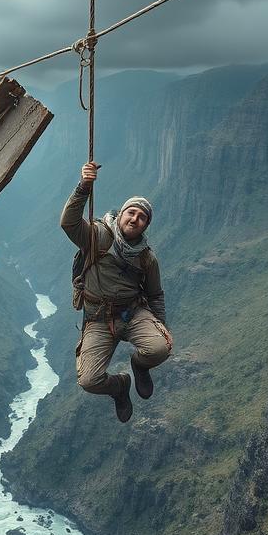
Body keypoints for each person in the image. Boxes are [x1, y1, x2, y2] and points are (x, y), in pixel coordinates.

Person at [60, 161, 173, 422]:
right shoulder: (98, 236)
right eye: (131, 213)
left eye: (141, 217)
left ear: (145, 226)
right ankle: (120, 387)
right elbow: (69, 223)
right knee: (89, 380)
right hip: (99, 319)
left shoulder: (146, 258)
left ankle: (140, 365)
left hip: (132, 314)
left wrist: (159, 328)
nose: (134, 219)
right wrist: (84, 186)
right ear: (120, 215)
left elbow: (155, 295)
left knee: (160, 348)